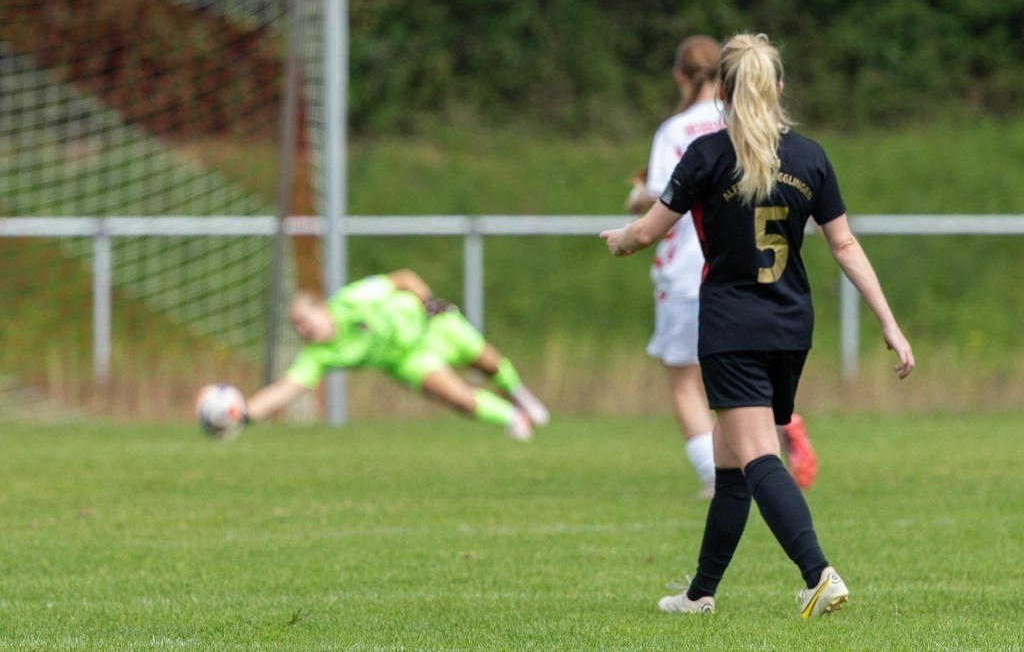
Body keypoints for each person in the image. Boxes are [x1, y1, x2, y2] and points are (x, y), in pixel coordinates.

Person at [601, 33, 914, 617]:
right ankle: (700, 594)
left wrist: (619, 242)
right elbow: (844, 246)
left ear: (720, 91)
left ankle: (819, 573)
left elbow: (645, 231)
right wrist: (889, 324)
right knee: (731, 465)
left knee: (756, 456)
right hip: (791, 328)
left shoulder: (707, 156)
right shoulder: (810, 157)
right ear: (780, 90)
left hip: (732, 329)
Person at [628, 35, 817, 497]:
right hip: (752, 271)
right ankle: (777, 427)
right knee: (744, 383)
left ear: (678, 76)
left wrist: (635, 198)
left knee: (685, 382)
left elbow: (663, 199)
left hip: (688, 272)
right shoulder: (751, 125)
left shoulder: (676, 132)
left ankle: (719, 477)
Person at [243, 269, 550, 441]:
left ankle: (518, 394)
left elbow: (404, 278)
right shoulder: (318, 355)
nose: (303, 330)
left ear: (322, 308)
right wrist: (244, 414)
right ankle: (514, 417)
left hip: (431, 326)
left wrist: (425, 302)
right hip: (407, 359)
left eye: (305, 321)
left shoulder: (351, 299)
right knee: (461, 401)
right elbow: (287, 388)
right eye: (297, 328)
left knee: (490, 365)